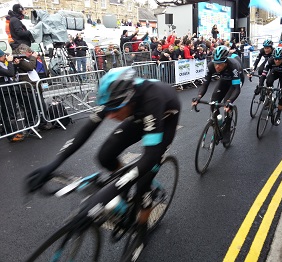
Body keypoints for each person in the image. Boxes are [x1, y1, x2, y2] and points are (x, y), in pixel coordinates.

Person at [26, 67, 181, 248]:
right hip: (139, 116)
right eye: (108, 109)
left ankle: (141, 230)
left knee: (143, 183)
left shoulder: (151, 99)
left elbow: (150, 157)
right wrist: (53, 164)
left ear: (129, 99)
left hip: (163, 119)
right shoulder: (115, 98)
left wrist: (104, 196)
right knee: (105, 156)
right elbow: (85, 131)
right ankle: (124, 183)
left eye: (115, 110)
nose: (110, 115)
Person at [191, 46, 243, 144]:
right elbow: (205, 84)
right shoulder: (211, 65)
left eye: (220, 64)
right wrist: (198, 97)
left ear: (226, 62)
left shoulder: (233, 66)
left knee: (226, 104)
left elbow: (236, 89)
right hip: (224, 79)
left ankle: (227, 129)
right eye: (216, 63)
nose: (217, 67)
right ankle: (218, 125)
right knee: (213, 102)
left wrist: (229, 102)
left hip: (235, 82)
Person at [258, 47, 282, 126]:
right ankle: (269, 98)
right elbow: (263, 74)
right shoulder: (270, 60)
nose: (277, 61)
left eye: (279, 59)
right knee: (268, 81)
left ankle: (278, 115)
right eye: (275, 59)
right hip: (275, 72)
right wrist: (260, 85)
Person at [0, 50, 24, 142]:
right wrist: (10, 62)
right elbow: (9, 73)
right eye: (3, 56)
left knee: (13, 112)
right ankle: (11, 135)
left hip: (10, 91)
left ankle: (15, 132)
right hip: (4, 92)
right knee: (8, 114)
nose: (5, 57)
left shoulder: (3, 64)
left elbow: (11, 72)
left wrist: (14, 64)